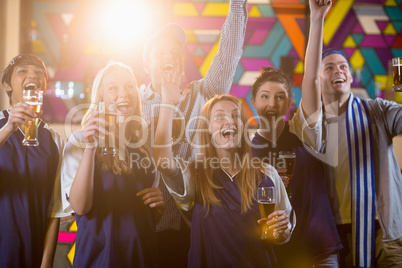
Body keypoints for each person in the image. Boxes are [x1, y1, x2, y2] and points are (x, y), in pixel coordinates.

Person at [141, 0, 248, 266]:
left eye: (175, 52)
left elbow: (228, 54)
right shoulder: (135, 104)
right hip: (149, 225)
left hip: (200, 221)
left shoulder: (205, 93)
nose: (169, 56)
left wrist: (237, 5)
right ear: (147, 65)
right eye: (161, 52)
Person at [297, 0, 402, 267]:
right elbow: (308, 77)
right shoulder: (315, 121)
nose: (338, 71)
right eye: (329, 67)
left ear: (351, 77)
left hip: (385, 230)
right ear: (319, 80)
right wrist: (316, 18)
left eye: (343, 66)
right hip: (332, 232)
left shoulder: (377, 111)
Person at [154, 69, 294, 266]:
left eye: (236, 116)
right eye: (219, 116)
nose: (229, 121)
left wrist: (283, 230)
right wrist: (167, 104)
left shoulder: (267, 173)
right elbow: (162, 161)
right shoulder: (195, 174)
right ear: (208, 129)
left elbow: (282, 233)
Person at [61, 62, 165, 267]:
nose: (123, 93)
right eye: (113, 88)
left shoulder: (145, 145)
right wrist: (91, 147)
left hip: (142, 255)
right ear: (101, 98)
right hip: (99, 257)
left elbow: (147, 213)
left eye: (129, 86)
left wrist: (158, 204)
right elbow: (80, 207)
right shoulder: (79, 141)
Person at [250, 67, 342, 267]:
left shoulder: (302, 132)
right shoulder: (246, 153)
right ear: (254, 101)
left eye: (280, 97)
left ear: (290, 102)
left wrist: (317, 32)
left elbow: (312, 78)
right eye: (265, 96)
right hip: (277, 256)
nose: (272, 103)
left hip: (318, 251)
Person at [0, 54, 69, 267]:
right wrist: (9, 128)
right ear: (7, 85)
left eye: (39, 72)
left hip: (33, 248)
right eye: (23, 71)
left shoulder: (55, 140)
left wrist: (46, 261)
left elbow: (54, 208)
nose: (33, 75)